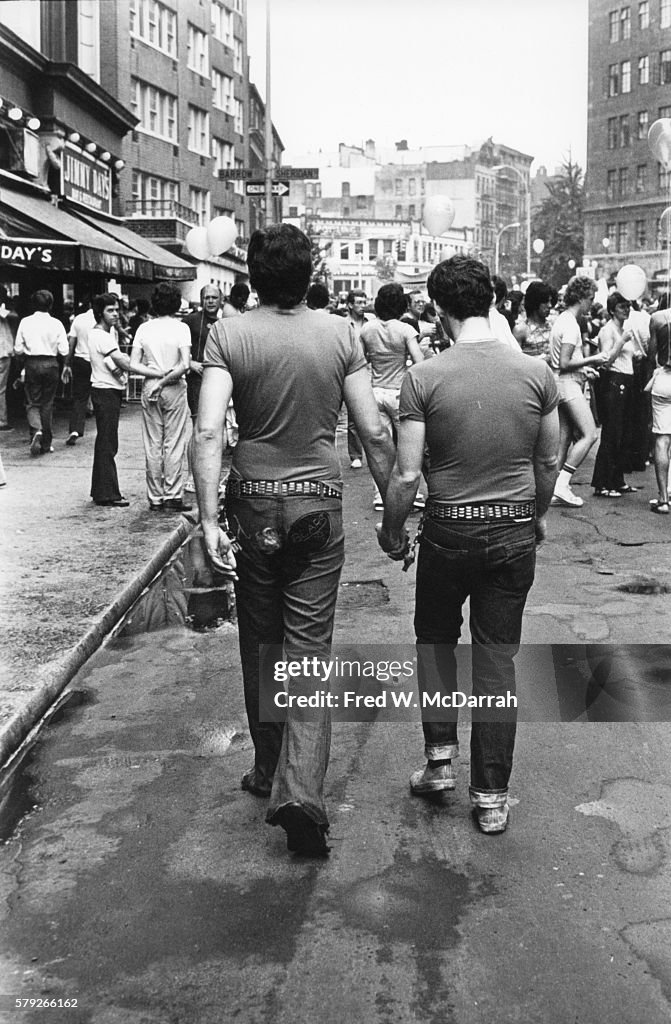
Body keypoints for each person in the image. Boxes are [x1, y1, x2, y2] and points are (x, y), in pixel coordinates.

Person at [193, 224, 395, 857]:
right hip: (318, 505)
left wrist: (205, 521)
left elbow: (206, 434)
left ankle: (266, 767)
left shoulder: (228, 334)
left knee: (259, 636)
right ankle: (300, 791)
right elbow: (372, 431)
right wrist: (395, 510)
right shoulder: (340, 334)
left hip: (251, 504)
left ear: (253, 275)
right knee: (308, 647)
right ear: (310, 276)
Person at [377, 255, 559, 835]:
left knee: (435, 642)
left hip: (448, 531)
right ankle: (491, 797)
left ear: (438, 309)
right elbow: (549, 458)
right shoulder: (536, 373)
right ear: (492, 302)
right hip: (511, 529)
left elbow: (407, 475)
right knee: (496, 659)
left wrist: (393, 529)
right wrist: (536, 515)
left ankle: (439, 762)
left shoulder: (424, 377)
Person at [360, 282, 425, 510]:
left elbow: (360, 361)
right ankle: (412, 495)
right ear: (401, 305)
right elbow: (419, 362)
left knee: (381, 447)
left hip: (374, 392)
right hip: (399, 394)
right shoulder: (405, 330)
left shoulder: (367, 330)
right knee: (407, 447)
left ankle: (380, 495)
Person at [130, 282, 192, 512]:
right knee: (174, 442)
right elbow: (184, 364)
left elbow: (133, 363)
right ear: (176, 303)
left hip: (150, 386)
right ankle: (172, 495)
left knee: (152, 443)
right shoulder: (181, 328)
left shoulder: (144, 329)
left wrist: (155, 378)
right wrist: (165, 378)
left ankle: (155, 497)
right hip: (174, 387)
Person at [548, 276, 608, 507]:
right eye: (590, 299)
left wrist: (585, 369)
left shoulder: (562, 320)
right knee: (590, 434)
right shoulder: (572, 325)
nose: (591, 304)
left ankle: (552, 488)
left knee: (563, 441)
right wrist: (594, 359)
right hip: (568, 384)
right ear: (581, 298)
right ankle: (562, 484)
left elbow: (564, 362)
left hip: (561, 383)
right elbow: (564, 362)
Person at [591, 292, 642, 498]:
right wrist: (621, 342)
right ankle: (603, 482)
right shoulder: (608, 330)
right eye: (622, 307)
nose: (626, 310)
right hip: (614, 381)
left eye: (628, 306)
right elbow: (605, 360)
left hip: (628, 380)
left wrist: (636, 355)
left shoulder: (625, 329)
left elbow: (630, 356)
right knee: (612, 432)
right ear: (612, 309)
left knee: (624, 432)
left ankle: (617, 479)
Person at [87, 293, 131, 507]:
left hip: (105, 390)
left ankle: (101, 490)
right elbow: (122, 361)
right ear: (100, 313)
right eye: (110, 310)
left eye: (116, 310)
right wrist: (150, 370)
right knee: (107, 442)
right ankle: (108, 493)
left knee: (105, 440)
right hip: (106, 391)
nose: (115, 314)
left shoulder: (104, 333)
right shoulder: (102, 336)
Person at [13, 289, 68, 456]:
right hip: (51, 363)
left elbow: (18, 349)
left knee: (31, 402)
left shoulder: (25, 322)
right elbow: (64, 349)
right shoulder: (57, 323)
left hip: (32, 363)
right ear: (51, 305)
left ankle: (36, 429)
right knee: (48, 403)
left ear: (32, 304)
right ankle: (46, 443)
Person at [647, 292, 671, 513]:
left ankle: (663, 498)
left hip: (664, 379)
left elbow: (650, 353)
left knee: (662, 440)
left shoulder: (657, 318)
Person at [343, 289, 371, 468]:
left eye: (364, 302)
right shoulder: (343, 324)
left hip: (367, 369)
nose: (362, 306)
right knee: (352, 416)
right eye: (359, 302)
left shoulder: (370, 323)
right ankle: (355, 455)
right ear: (350, 305)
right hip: (347, 370)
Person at [61, 303, 95, 446]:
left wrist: (67, 364)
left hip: (80, 360)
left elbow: (71, 343)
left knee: (79, 398)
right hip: (98, 361)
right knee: (101, 396)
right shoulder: (103, 320)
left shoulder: (79, 319)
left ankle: (75, 429)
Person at [513, 281, 554, 360]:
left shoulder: (553, 326)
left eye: (550, 301)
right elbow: (516, 362)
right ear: (536, 302)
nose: (550, 305)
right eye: (545, 302)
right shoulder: (521, 330)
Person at [0, 287, 17, 430]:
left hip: (4, 352)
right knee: (1, 389)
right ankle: (2, 420)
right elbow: (14, 315)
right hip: (2, 354)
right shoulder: (2, 311)